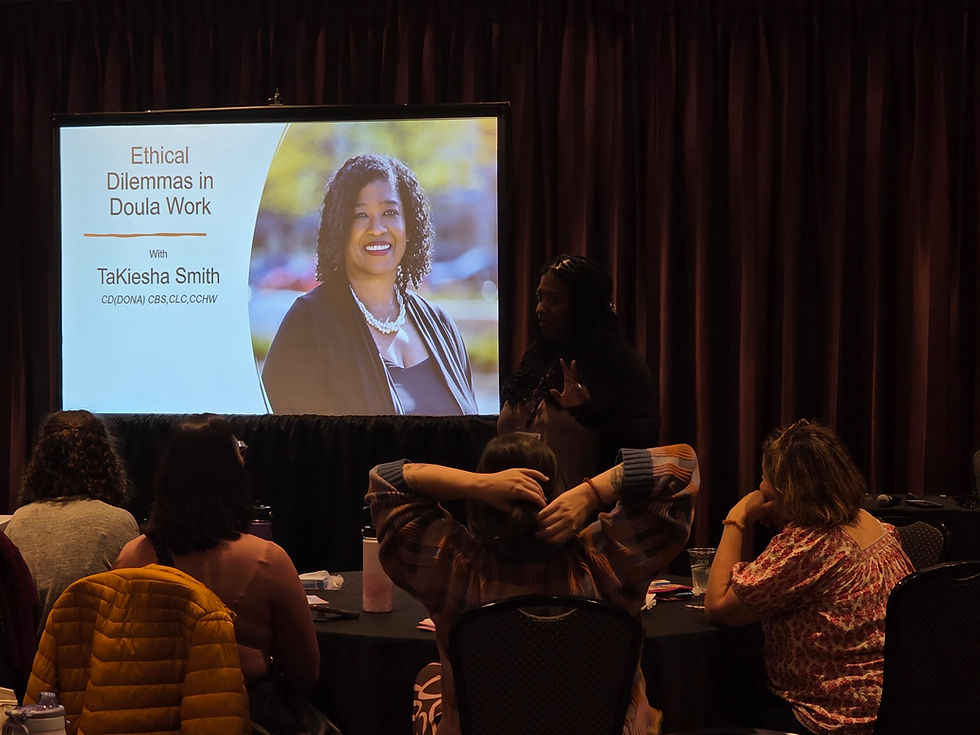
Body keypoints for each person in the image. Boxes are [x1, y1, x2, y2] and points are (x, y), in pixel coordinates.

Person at [367, 432, 700, 735]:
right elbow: (681, 467)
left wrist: (476, 484)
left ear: (482, 505)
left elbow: (387, 482)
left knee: (430, 677)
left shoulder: (452, 569)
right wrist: (591, 493)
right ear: (558, 492)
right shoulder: (610, 560)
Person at [113, 415, 324, 735]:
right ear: (234, 479)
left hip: (146, 718)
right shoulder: (266, 560)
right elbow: (305, 672)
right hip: (242, 717)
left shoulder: (132, 557)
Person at [704, 419, 915, 735]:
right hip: (896, 706)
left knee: (716, 699)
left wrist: (736, 519)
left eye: (764, 477)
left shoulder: (810, 544)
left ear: (786, 489)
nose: (760, 487)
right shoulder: (870, 522)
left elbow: (719, 606)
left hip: (832, 716)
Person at [262, 153, 478, 416]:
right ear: (341, 228)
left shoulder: (440, 326)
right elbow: (297, 444)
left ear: (409, 225)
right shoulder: (308, 324)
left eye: (390, 212)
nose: (377, 228)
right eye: (360, 215)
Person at [498, 254, 659, 487]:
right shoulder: (534, 358)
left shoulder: (620, 365)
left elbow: (639, 453)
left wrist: (587, 411)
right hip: (512, 511)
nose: (540, 309)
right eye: (539, 298)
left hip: (580, 515)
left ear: (583, 307)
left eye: (553, 300)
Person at [4, 410, 139, 635]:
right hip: (98, 661)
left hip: (34, 665)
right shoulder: (120, 522)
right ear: (106, 459)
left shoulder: (18, 522)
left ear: (41, 459)